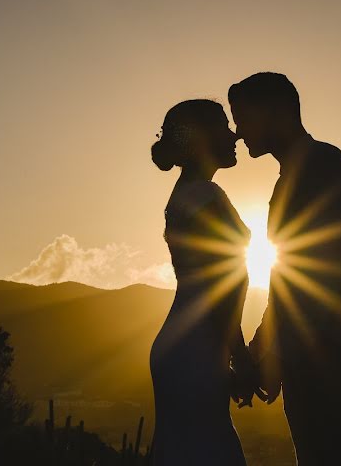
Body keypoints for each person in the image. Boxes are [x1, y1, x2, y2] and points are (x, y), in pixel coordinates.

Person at [228, 73, 341, 466]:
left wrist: (275, 356)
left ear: (276, 113)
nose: (238, 132)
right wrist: (259, 350)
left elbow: (324, 276)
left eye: (243, 118)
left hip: (340, 358)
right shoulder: (297, 175)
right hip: (320, 359)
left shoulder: (323, 168)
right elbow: (287, 283)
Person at [149, 99, 258, 466]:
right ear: (202, 140)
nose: (234, 136)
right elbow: (225, 283)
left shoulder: (182, 196)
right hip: (198, 348)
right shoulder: (205, 196)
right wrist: (241, 357)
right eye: (224, 128)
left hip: (185, 345)